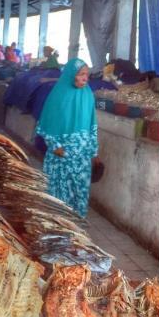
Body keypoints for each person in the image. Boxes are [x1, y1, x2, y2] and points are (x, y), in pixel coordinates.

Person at [35, 58, 98, 217]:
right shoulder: (59, 95)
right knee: (59, 196)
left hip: (81, 157)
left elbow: (92, 124)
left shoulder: (88, 94)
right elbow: (47, 123)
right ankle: (57, 227)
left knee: (79, 193)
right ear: (71, 75)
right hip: (61, 156)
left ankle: (76, 229)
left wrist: (93, 152)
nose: (85, 78)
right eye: (81, 74)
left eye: (87, 75)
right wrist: (55, 146)